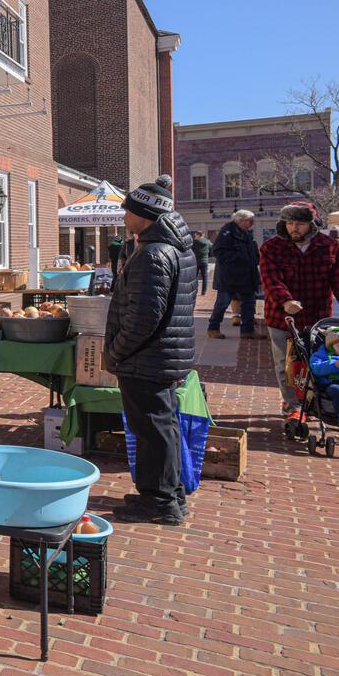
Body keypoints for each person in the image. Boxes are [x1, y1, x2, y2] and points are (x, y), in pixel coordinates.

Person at [105, 179, 197, 526]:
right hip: (162, 356)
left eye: (128, 208)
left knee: (153, 430)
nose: (124, 214)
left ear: (144, 213)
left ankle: (160, 501)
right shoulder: (172, 248)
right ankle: (166, 493)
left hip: (148, 358)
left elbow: (143, 319)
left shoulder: (155, 253)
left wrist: (115, 352)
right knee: (162, 426)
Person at [258, 201, 339, 424]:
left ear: (312, 225)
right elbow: (270, 279)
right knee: (286, 364)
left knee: (316, 361)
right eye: (290, 223)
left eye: (300, 224)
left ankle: (315, 403)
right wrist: (285, 301)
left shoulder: (331, 246)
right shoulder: (271, 247)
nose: (294, 228)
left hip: (318, 316)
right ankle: (292, 405)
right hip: (282, 317)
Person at [208, 209, 260, 339]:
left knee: (249, 303)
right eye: (250, 221)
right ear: (241, 220)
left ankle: (248, 330)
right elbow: (217, 251)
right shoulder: (227, 232)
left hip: (246, 275)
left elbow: (252, 251)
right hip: (229, 276)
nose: (252, 223)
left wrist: (254, 258)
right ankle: (213, 328)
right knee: (222, 304)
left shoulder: (246, 234)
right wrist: (238, 257)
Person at [306, 326, 339, 413]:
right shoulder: (321, 355)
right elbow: (316, 369)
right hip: (330, 384)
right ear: (330, 347)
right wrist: (335, 365)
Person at [191, 231, 212, 295]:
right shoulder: (208, 242)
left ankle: (195, 291)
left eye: (195, 235)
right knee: (205, 277)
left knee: (195, 277)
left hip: (196, 261)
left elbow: (191, 251)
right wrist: (207, 256)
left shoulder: (194, 242)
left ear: (198, 235)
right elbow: (211, 250)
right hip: (205, 261)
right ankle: (204, 292)